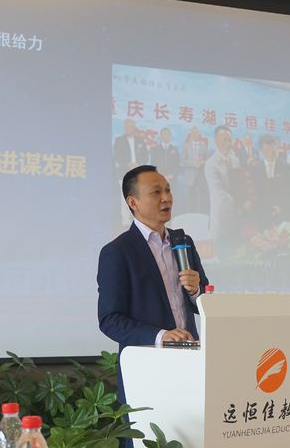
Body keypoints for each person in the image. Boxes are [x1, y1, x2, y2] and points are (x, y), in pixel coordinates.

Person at [97, 165, 209, 420]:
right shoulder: (118, 251)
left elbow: (203, 301)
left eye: (168, 191)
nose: (166, 198)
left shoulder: (183, 242)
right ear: (133, 202)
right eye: (156, 192)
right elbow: (110, 320)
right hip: (147, 369)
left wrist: (196, 290)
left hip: (190, 363)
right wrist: (161, 336)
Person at [204, 125, 241, 251]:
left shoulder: (236, 160)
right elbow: (218, 194)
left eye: (229, 140)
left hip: (238, 218)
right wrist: (240, 202)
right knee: (224, 254)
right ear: (216, 141)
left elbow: (240, 185)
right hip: (222, 218)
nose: (228, 144)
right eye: (224, 140)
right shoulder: (211, 164)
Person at [113, 119, 149, 226]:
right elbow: (117, 156)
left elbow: (145, 155)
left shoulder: (140, 140)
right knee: (125, 197)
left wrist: (139, 164)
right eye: (127, 126)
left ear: (134, 127)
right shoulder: (119, 140)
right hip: (124, 172)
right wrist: (127, 164)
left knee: (139, 197)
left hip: (138, 173)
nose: (129, 128)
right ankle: (125, 222)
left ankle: (138, 220)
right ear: (124, 127)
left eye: (131, 126)